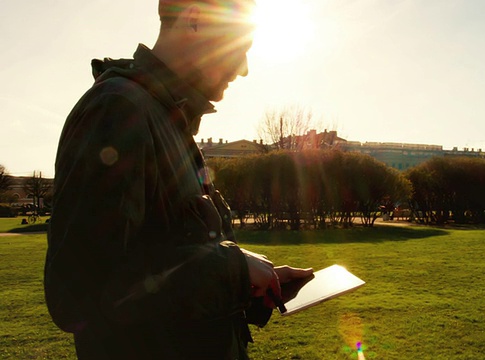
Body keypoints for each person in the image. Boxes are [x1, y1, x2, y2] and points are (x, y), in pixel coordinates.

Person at [44, 0, 313, 358]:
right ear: (195, 20)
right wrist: (232, 271)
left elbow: (169, 263)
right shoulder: (118, 110)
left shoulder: (167, 120)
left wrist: (247, 283)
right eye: (241, 48)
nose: (245, 69)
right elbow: (78, 295)